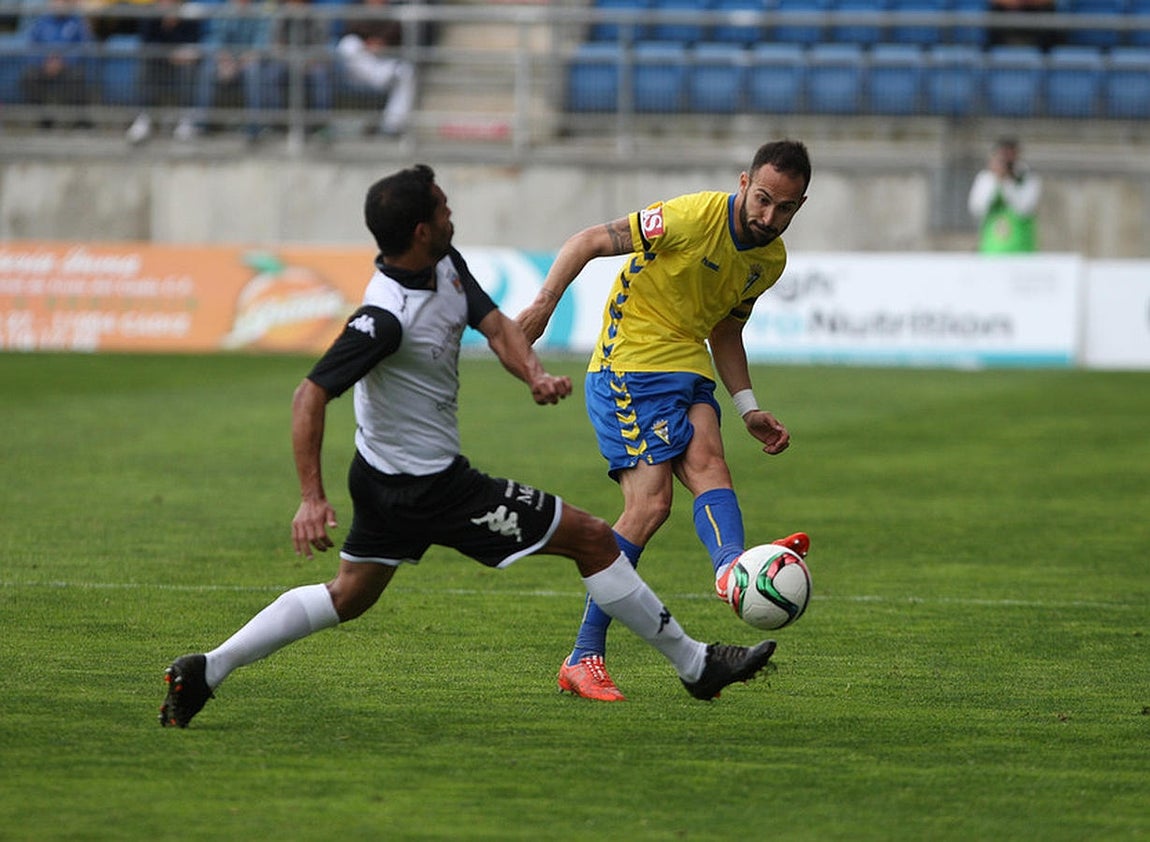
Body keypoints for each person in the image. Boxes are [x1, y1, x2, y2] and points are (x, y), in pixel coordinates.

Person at [158, 164, 779, 729]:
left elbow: (493, 323)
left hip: (384, 478)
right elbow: (308, 397)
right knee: (591, 537)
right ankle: (696, 666)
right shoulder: (385, 317)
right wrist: (309, 498)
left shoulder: (445, 264)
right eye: (444, 206)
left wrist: (533, 373)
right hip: (433, 487)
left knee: (348, 595)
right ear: (423, 229)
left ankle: (206, 669)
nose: (454, 212)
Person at [515, 139, 813, 702]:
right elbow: (589, 240)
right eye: (764, 200)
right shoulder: (691, 215)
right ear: (744, 181)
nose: (770, 217)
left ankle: (732, 572)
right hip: (628, 363)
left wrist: (748, 406)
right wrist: (544, 304)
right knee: (649, 506)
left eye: (786, 208)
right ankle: (583, 656)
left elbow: (725, 330)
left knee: (711, 465)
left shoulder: (769, 260)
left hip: (686, 364)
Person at [125, 0, 204, 143]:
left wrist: (183, 50)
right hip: (158, 62)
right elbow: (146, 44)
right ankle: (143, 119)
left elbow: (194, 44)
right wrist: (168, 54)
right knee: (144, 65)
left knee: (190, 68)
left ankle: (186, 121)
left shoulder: (190, 14)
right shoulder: (150, 13)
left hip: (181, 64)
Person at [334, 0, 417, 137]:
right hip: (357, 69)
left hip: (382, 63)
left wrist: (382, 45)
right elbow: (349, 32)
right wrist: (368, 44)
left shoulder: (394, 14)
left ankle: (391, 127)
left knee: (407, 72)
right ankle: (379, 76)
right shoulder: (355, 10)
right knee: (349, 45)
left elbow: (399, 42)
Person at [19, 0, 94, 128]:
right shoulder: (41, 22)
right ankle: (44, 119)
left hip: (68, 67)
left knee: (77, 76)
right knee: (29, 76)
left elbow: (84, 46)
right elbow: (31, 46)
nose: (59, 4)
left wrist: (64, 61)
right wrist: (44, 61)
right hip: (44, 66)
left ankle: (78, 121)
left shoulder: (77, 22)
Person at [967, 137, 1042, 254]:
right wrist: (995, 180)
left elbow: (1024, 209)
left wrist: (1007, 181)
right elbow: (978, 209)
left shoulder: (1028, 179)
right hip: (991, 249)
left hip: (1021, 250)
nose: (1006, 161)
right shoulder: (985, 179)